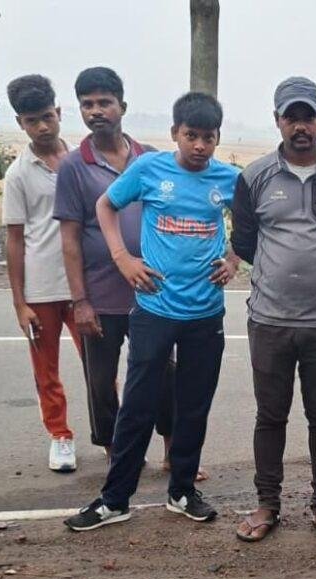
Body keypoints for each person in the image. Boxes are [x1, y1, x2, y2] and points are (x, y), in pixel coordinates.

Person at [64, 92, 239, 531]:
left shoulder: (228, 178)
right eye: (191, 135)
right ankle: (114, 499)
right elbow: (105, 205)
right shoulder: (150, 169)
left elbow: (254, 221)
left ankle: (182, 491)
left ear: (218, 138)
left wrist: (234, 259)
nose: (199, 146)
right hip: (154, 309)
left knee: (193, 406)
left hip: (205, 313)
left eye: (208, 137)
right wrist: (122, 258)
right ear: (175, 133)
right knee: (138, 407)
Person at [231, 77, 316, 545]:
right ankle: (267, 504)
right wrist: (280, 277)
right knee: (270, 416)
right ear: (278, 121)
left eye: (308, 116)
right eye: (291, 117)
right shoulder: (255, 177)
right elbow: (244, 242)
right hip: (269, 319)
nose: (300, 126)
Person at [54, 67, 180, 471]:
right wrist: (80, 301)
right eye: (87, 104)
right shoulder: (74, 166)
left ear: (122, 106)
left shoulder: (151, 159)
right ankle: (118, 456)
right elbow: (70, 240)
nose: (96, 111)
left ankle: (173, 452)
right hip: (101, 295)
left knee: (163, 373)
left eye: (104, 102)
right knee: (101, 380)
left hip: (152, 293)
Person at [2, 74, 79, 473]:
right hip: (40, 289)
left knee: (100, 368)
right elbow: (15, 240)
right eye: (32, 121)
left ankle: (113, 436)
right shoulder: (18, 174)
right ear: (21, 123)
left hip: (84, 286)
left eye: (48, 116)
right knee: (46, 370)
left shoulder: (81, 161)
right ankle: (60, 436)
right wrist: (20, 303)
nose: (43, 127)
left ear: (59, 112)